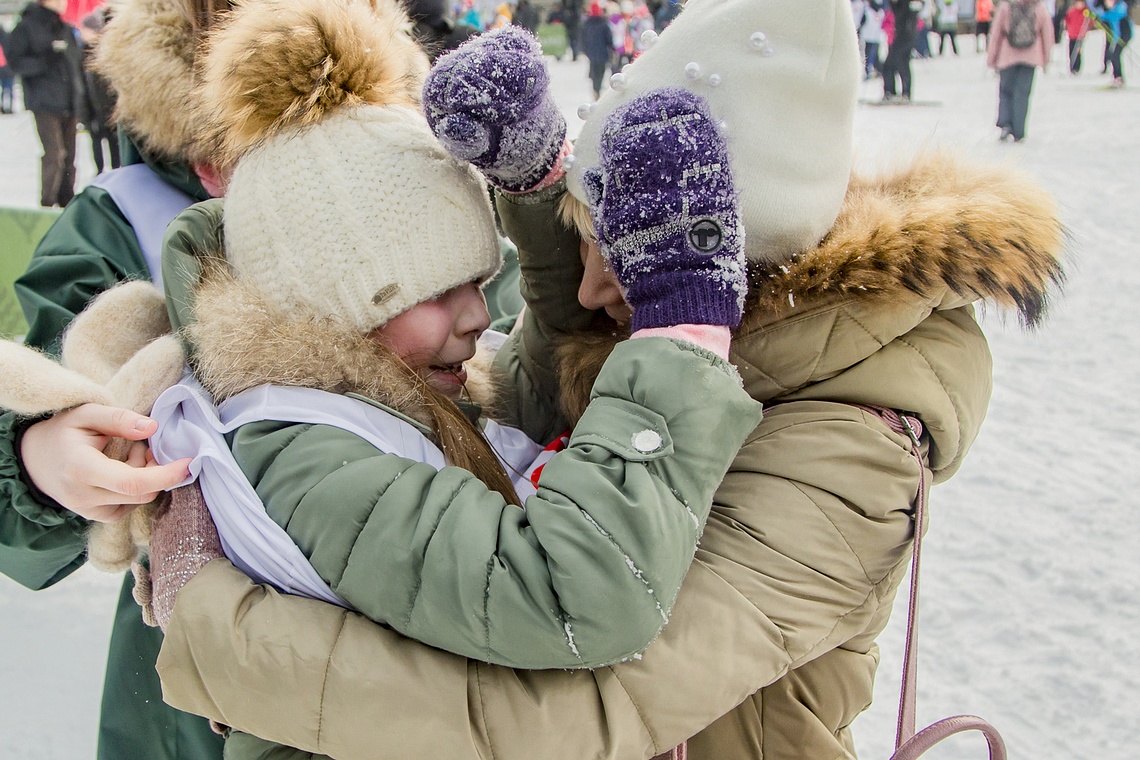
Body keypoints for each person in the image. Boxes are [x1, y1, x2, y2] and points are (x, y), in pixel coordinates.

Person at [147, 2, 1067, 760]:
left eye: (621, 258)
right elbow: (540, 404)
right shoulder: (650, 333)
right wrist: (548, 198)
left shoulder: (848, 447)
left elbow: (565, 707)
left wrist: (221, 632)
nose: (585, 290)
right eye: (584, 244)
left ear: (719, 260)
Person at [0, 0, 427, 758]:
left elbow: (507, 351)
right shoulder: (127, 212)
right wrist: (40, 456)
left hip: (419, 620)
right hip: (197, 673)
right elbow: (42, 398)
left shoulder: (415, 176)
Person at [4, 0, 84, 207]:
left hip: (69, 99)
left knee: (70, 156)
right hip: (44, 101)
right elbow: (15, 62)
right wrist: (46, 59)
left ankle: (67, 201)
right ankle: (47, 201)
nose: (63, 3)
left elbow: (76, 65)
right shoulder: (26, 26)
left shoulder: (65, 28)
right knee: (54, 153)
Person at [987, 0, 1055, 142]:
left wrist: (992, 58)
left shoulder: (1006, 6)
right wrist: (1046, 58)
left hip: (1007, 55)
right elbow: (1047, 34)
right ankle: (1019, 130)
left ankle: (1005, 124)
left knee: (1005, 91)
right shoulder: (1039, 7)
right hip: (1031, 55)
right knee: (1023, 94)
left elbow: (996, 33)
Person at [77, 7, 119, 174]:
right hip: (92, 106)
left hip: (107, 107)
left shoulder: (105, 52)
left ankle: (116, 170)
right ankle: (100, 170)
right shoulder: (81, 52)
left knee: (113, 143)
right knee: (96, 141)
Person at [883, 0, 922, 101]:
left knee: (900, 63)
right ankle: (894, 91)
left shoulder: (905, 4)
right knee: (894, 64)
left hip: (904, 36)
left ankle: (899, 92)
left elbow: (902, 13)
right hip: (902, 35)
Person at [1090, 0, 1132, 85]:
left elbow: (1113, 15)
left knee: (1115, 56)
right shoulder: (1114, 8)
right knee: (1114, 56)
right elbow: (1106, 16)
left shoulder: (1121, 5)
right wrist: (1095, 15)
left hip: (1125, 35)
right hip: (1119, 36)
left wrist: (1099, 14)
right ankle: (1117, 77)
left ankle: (1118, 77)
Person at [582, 1, 612, 98]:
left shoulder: (587, 24)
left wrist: (585, 49)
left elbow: (583, 38)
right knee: (601, 71)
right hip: (602, 52)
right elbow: (609, 38)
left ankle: (595, 88)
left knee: (594, 70)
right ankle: (597, 88)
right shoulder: (603, 23)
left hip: (591, 52)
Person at [862, 0, 888, 78]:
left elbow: (862, 22)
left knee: (868, 54)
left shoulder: (867, 10)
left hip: (868, 35)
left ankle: (869, 71)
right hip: (877, 36)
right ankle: (878, 69)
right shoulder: (882, 12)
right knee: (875, 54)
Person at [1066, 0, 1093, 73]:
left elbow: (1091, 21)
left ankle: (1077, 67)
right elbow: (1067, 20)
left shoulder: (1085, 12)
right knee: (1071, 50)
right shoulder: (1072, 11)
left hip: (1080, 36)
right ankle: (1071, 66)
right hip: (1072, 35)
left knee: (1077, 51)